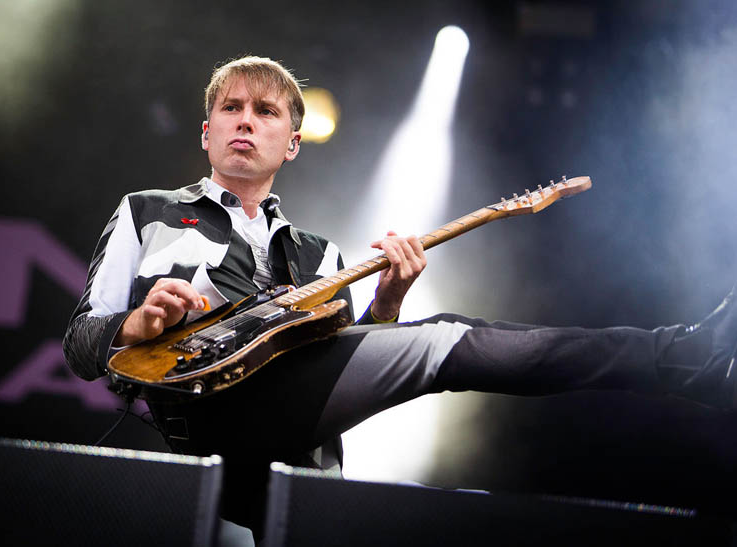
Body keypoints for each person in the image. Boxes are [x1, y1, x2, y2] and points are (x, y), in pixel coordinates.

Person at [63, 56, 736, 538]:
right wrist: (135, 323)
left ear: (292, 142)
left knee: (429, 339)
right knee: (442, 341)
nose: (245, 121)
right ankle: (685, 356)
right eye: (229, 109)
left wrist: (386, 304)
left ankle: (693, 360)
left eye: (264, 110)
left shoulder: (318, 255)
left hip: (288, 461)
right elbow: (80, 342)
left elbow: (344, 368)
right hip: (192, 427)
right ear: (206, 131)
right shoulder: (145, 213)